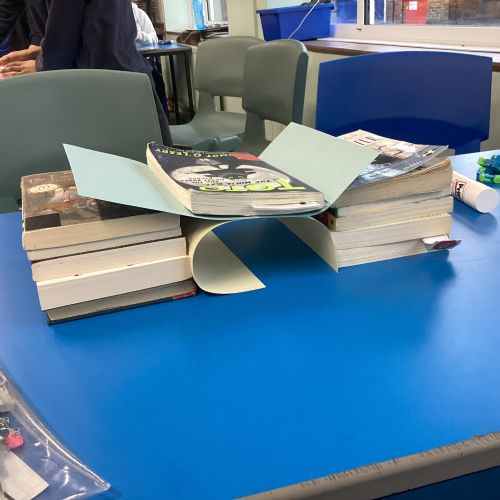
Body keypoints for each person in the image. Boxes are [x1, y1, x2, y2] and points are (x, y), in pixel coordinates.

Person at [0, 0, 172, 145]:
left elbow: (62, 41)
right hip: (108, 80)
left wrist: (42, 63)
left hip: (107, 90)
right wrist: (42, 53)